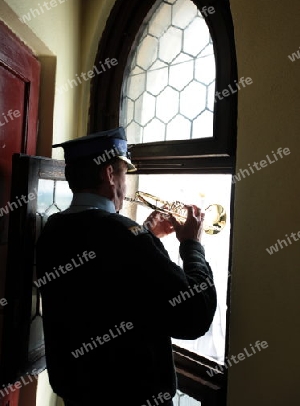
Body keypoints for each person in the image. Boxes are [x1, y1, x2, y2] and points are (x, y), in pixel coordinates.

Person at [35, 126, 217, 406]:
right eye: (124, 174)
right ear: (109, 174)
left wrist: (145, 235)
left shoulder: (52, 228)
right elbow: (195, 316)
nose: (125, 184)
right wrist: (193, 245)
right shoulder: (128, 239)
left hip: (77, 394)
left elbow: (105, 283)